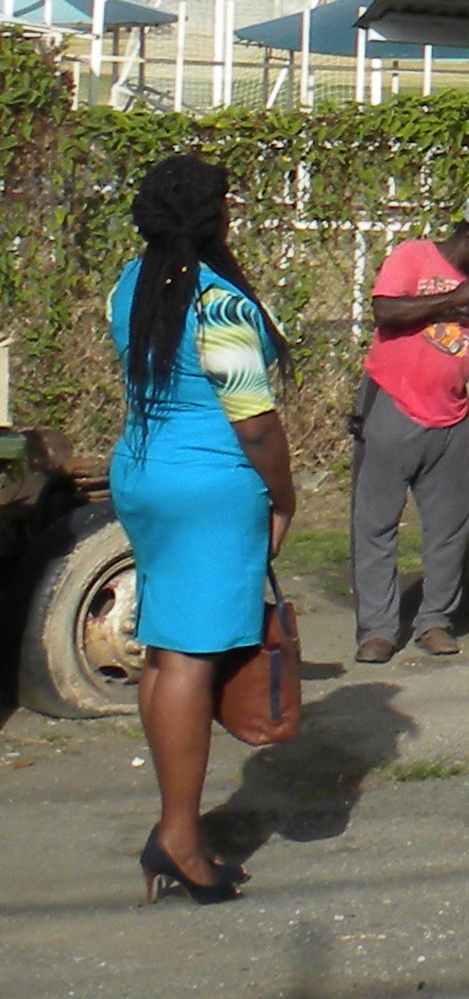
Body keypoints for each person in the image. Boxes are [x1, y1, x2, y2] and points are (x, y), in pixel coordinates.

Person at [107, 154, 295, 906]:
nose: (235, 207)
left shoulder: (133, 283)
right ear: (211, 214)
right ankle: (179, 837)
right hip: (210, 489)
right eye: (228, 200)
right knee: (191, 657)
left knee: (163, 650)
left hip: (144, 473)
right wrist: (282, 497)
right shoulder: (217, 305)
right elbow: (254, 423)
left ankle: (175, 825)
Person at [351, 200, 469, 664]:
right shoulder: (412, 256)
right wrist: (452, 301)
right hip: (391, 406)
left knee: (450, 527)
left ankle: (434, 621)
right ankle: (378, 629)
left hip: (450, 419)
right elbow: (384, 312)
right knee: (376, 525)